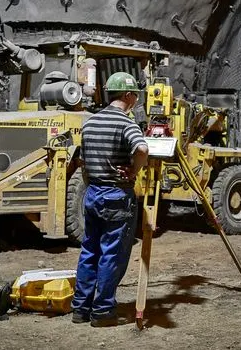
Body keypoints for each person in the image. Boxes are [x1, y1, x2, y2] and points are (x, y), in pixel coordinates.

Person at [71, 72, 149, 327]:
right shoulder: (126, 123)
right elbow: (142, 149)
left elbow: (81, 159)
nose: (136, 99)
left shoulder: (90, 122)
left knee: (89, 250)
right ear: (128, 96)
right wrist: (135, 170)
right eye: (135, 95)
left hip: (92, 194)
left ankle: (80, 309)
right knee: (111, 254)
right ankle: (103, 311)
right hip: (116, 195)